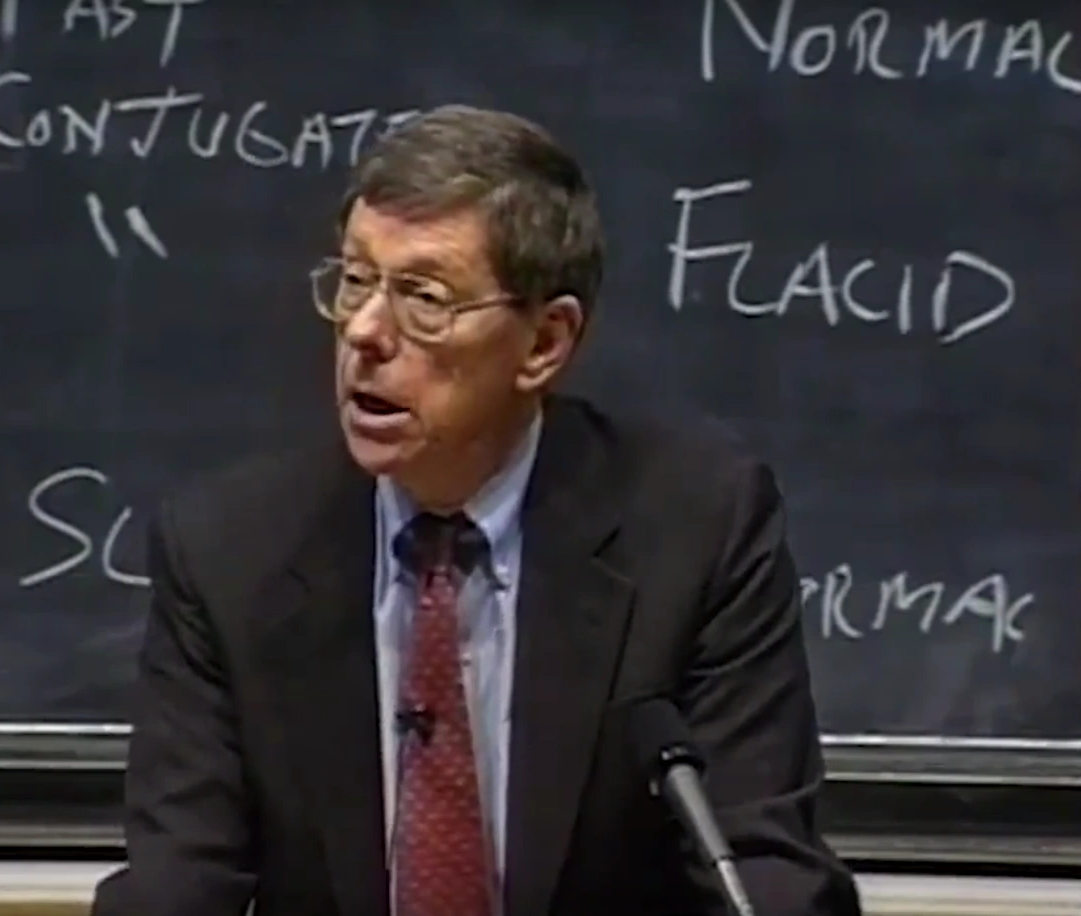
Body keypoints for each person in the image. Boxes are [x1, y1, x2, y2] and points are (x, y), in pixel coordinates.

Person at [91, 104, 860, 916]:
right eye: (354, 280)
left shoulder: (698, 531)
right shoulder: (228, 553)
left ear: (543, 344)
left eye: (423, 297)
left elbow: (766, 872)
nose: (364, 330)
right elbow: (177, 884)